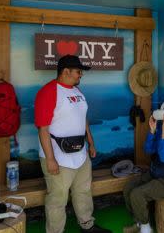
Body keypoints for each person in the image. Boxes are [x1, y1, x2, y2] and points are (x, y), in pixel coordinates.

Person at [35, 55, 111, 233]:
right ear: (65, 71)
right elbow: (43, 129)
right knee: (57, 199)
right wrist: (50, 159)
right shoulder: (48, 92)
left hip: (80, 154)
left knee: (83, 192)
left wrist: (91, 143)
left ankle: (87, 225)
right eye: (78, 71)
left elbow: (83, 120)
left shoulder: (77, 92)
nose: (80, 75)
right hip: (58, 157)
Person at [123, 100, 164, 233]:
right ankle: (139, 221)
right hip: (159, 171)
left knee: (137, 194)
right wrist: (152, 132)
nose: (162, 119)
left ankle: (146, 228)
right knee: (129, 188)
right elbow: (148, 150)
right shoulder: (160, 129)